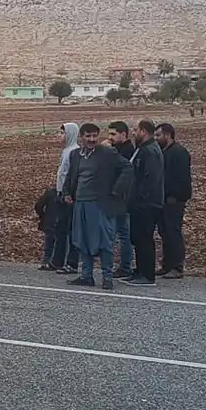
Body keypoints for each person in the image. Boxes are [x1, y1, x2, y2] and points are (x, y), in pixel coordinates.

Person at [62, 123, 132, 290]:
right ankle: (87, 275)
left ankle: (107, 276)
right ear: (82, 137)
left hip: (100, 204)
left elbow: (127, 168)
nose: (92, 139)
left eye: (94, 136)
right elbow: (71, 176)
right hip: (81, 203)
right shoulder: (75, 155)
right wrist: (66, 193)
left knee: (104, 241)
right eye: (88, 136)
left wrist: (116, 190)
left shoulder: (107, 153)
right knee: (82, 239)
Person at [124, 120, 165, 286]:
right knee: (138, 237)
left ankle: (147, 275)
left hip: (147, 203)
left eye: (136, 130)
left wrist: (140, 196)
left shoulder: (150, 151)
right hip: (138, 202)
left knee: (144, 238)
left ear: (143, 131)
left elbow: (151, 178)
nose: (134, 133)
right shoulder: (142, 149)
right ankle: (140, 270)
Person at [156, 122, 190, 279]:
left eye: (158, 135)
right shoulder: (165, 152)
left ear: (167, 135)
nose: (156, 138)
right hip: (164, 198)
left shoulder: (179, 152)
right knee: (165, 232)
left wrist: (174, 195)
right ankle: (167, 264)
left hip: (174, 199)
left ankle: (177, 266)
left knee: (173, 232)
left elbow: (181, 178)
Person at [50, 123, 81, 274]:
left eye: (62, 133)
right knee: (60, 228)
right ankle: (57, 261)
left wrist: (67, 192)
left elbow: (70, 176)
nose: (60, 136)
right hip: (61, 193)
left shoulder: (74, 152)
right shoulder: (66, 151)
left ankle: (71, 263)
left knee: (70, 230)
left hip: (68, 196)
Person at [107, 121, 136, 278]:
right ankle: (123, 265)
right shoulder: (119, 149)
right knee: (120, 233)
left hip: (121, 199)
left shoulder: (126, 151)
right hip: (118, 198)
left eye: (113, 134)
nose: (110, 137)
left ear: (123, 135)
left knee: (123, 234)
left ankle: (125, 266)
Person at [34, 185, 59, 268]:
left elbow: (38, 205)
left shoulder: (51, 192)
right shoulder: (71, 194)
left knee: (49, 245)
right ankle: (58, 262)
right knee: (62, 244)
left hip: (49, 222)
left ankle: (46, 262)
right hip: (63, 223)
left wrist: (43, 216)